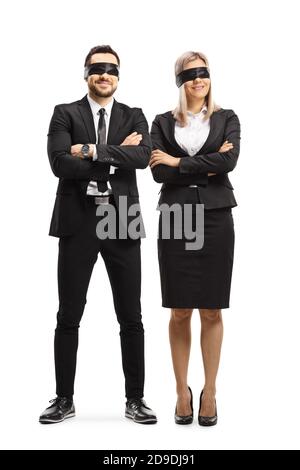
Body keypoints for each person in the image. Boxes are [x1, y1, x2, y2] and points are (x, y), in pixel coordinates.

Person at [39, 45, 157, 425]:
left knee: (131, 315)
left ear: (119, 76)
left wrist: (89, 151)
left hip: (121, 218)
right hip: (78, 220)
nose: (104, 75)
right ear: (86, 73)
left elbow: (142, 158)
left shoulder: (134, 115)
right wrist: (114, 155)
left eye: (111, 69)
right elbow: (59, 163)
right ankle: (63, 398)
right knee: (68, 314)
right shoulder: (64, 113)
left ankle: (135, 399)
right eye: (97, 69)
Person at [150, 50, 241, 426]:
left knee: (212, 309)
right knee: (179, 310)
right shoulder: (161, 121)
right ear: (179, 81)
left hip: (217, 217)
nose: (198, 79)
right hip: (175, 216)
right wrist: (192, 167)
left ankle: (211, 391)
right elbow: (158, 173)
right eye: (189, 74)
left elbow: (229, 162)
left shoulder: (227, 118)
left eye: (203, 73)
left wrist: (178, 163)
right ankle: (181, 390)